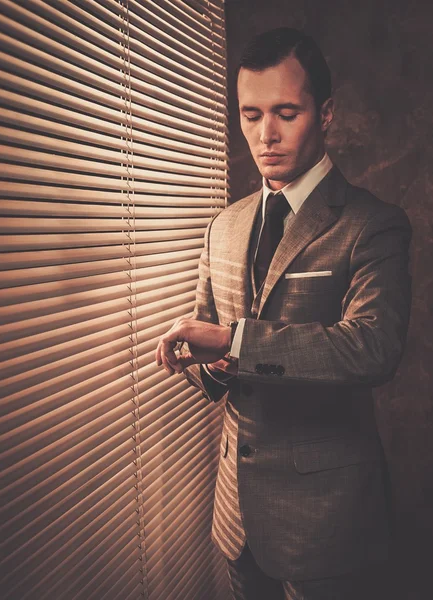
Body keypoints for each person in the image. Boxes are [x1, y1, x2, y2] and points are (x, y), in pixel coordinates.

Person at [155, 27, 411, 600]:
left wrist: (234, 343)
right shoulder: (224, 226)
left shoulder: (373, 224)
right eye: (250, 115)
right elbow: (214, 354)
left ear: (325, 114)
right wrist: (212, 363)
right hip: (235, 517)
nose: (264, 135)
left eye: (285, 113)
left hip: (327, 523)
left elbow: (373, 347)